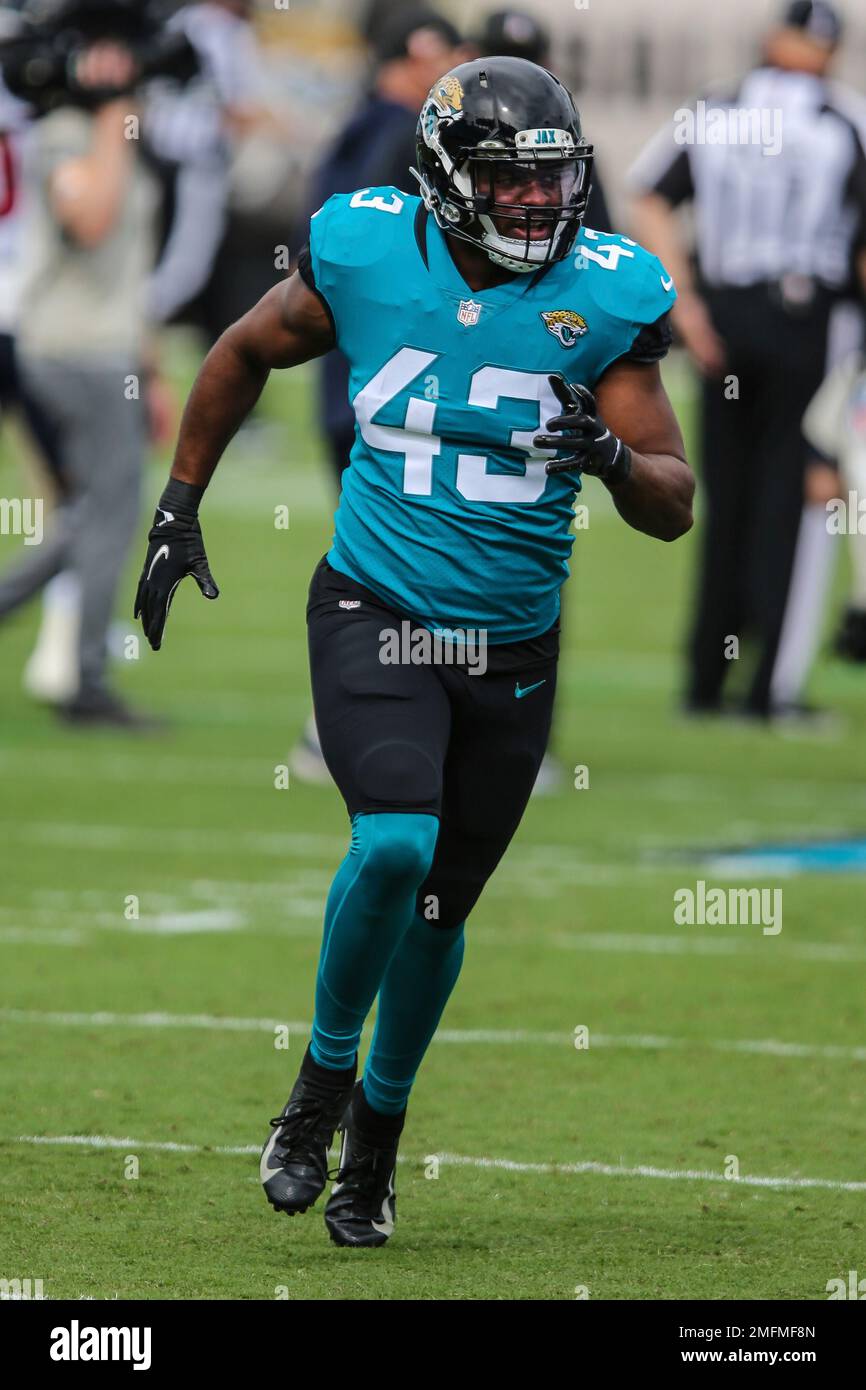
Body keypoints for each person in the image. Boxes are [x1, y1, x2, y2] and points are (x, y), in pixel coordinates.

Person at [134, 56, 693, 1248]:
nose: (535, 205)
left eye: (549, 181)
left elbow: (671, 499)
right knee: (392, 839)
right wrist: (178, 507)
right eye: (505, 179)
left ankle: (376, 1140)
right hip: (374, 606)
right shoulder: (367, 251)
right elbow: (237, 352)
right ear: (444, 181)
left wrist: (604, 456)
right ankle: (319, 1089)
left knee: (440, 913)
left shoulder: (604, 294)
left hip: (511, 647)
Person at [628, 0, 866, 724]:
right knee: (794, 499)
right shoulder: (843, 117)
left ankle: (706, 677)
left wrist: (686, 303)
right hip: (807, 321)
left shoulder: (717, 109)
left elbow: (647, 197)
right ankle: (769, 689)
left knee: (718, 497)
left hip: (723, 321)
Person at [0, 4, 165, 728]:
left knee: (92, 512)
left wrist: (150, 368)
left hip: (108, 348)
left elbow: (129, 269)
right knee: (109, 513)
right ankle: (85, 679)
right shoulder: (66, 133)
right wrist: (107, 111)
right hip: (69, 349)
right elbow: (91, 221)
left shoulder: (104, 130)